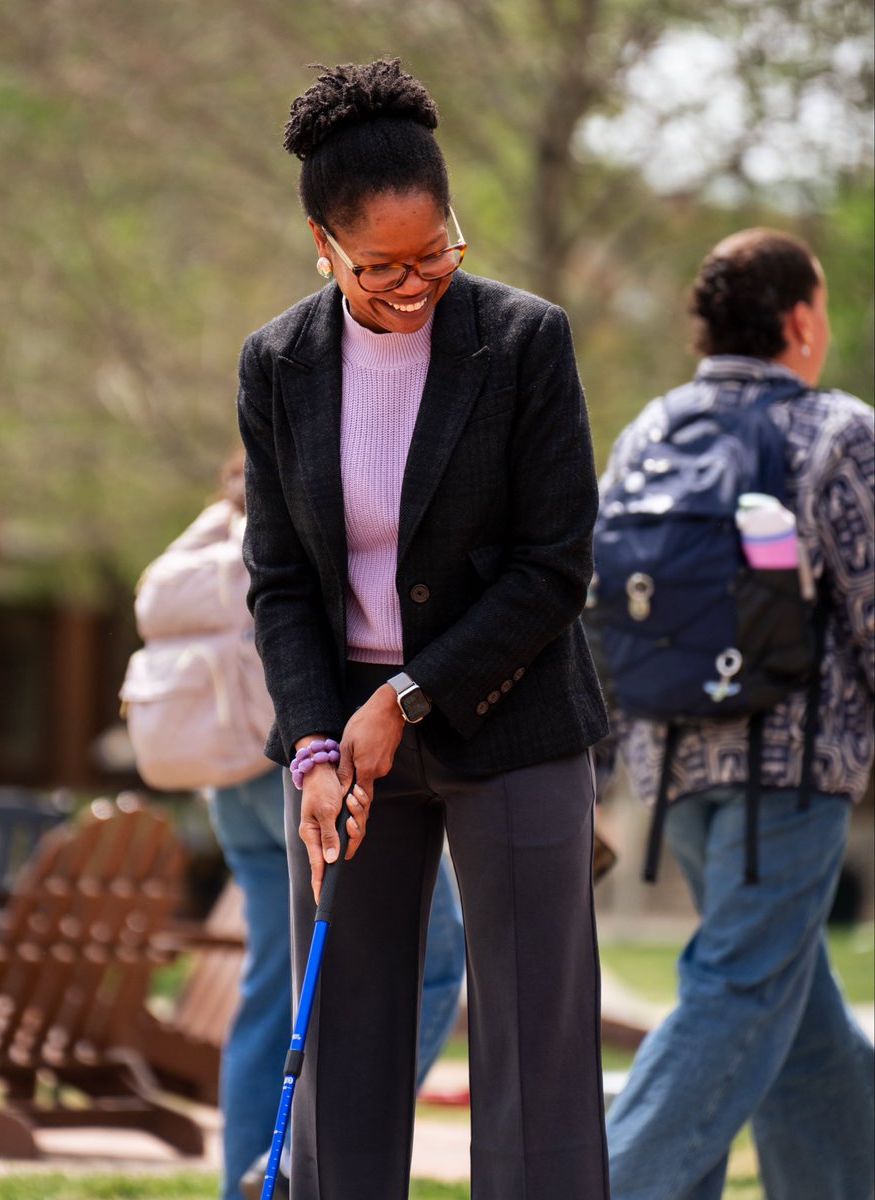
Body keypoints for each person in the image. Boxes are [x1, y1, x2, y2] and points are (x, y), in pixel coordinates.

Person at [237, 59, 610, 1200]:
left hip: (510, 720)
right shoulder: (277, 364)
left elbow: (555, 567)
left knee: (532, 1062)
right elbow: (281, 581)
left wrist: (410, 697)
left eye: (435, 252)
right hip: (340, 743)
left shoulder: (522, 340)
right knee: (343, 1033)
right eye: (381, 267)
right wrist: (312, 745)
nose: (415, 285)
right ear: (321, 242)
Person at [603, 229, 875, 1200]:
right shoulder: (837, 431)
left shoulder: (647, 432)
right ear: (800, 319)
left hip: (669, 763)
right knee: (738, 994)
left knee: (792, 1013)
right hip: (789, 778)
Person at [136, 456, 465, 1200]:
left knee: (271, 979)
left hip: (224, 775)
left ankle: (251, 1182)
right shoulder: (313, 503)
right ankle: (309, 1155)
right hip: (300, 764)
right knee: (436, 956)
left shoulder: (214, 532)